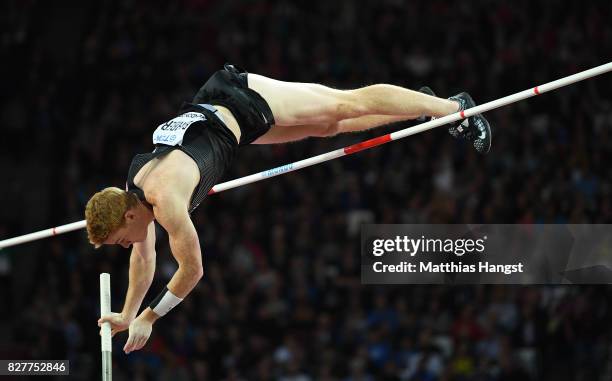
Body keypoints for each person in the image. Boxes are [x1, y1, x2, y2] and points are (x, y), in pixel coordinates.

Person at [88, 64, 491, 354]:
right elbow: (144, 258)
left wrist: (150, 318)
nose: (125, 246)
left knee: (342, 105)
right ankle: (421, 105)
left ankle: (454, 109)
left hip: (240, 99)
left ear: (128, 216)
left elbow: (192, 271)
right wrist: (127, 313)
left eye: (119, 240)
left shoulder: (167, 203)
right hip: (229, 125)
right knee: (328, 127)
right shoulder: (134, 188)